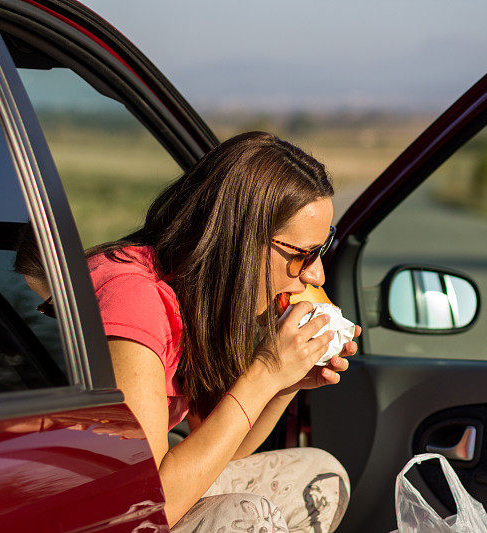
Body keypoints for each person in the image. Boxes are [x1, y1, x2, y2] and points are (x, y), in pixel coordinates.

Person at [83, 131, 359, 532]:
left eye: (322, 249)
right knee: (247, 517)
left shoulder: (193, 296)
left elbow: (220, 453)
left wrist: (286, 382)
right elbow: (145, 505)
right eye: (303, 255)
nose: (315, 274)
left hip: (135, 505)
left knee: (323, 479)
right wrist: (264, 371)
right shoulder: (135, 300)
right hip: (96, 515)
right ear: (242, 241)